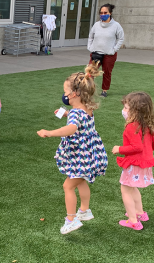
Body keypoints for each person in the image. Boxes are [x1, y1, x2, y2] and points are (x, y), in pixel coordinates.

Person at [37, 63, 108, 234]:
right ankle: (84, 211)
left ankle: (71, 219)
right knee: (80, 180)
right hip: (89, 155)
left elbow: (72, 129)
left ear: (74, 94)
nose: (65, 95)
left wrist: (50, 132)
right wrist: (67, 114)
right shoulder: (87, 109)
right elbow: (80, 120)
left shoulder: (76, 113)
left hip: (80, 156)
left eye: (66, 92)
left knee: (68, 186)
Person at [112, 92, 154, 230]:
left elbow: (136, 147)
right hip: (144, 163)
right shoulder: (147, 123)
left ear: (136, 110)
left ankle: (133, 220)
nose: (124, 110)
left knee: (125, 189)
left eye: (126, 108)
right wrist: (148, 151)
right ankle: (140, 213)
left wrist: (119, 149)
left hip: (134, 163)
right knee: (132, 187)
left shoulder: (131, 126)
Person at [87, 3, 124, 97]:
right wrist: (90, 47)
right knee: (90, 72)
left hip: (109, 54)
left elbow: (121, 38)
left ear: (110, 13)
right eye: (101, 13)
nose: (103, 14)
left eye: (105, 12)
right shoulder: (96, 25)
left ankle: (104, 91)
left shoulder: (116, 26)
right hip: (96, 53)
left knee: (107, 72)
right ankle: (88, 90)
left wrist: (114, 49)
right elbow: (90, 36)